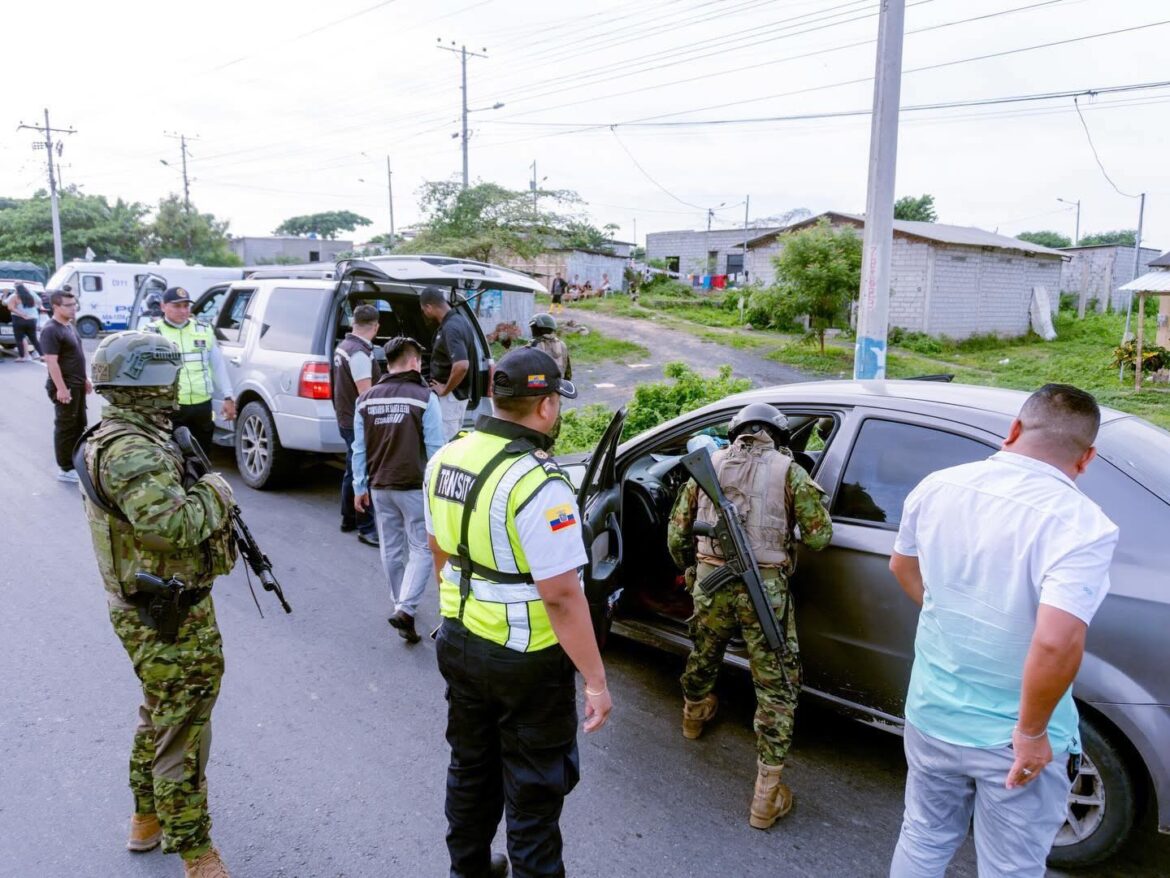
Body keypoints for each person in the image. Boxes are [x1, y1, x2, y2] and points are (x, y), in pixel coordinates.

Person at [887, 384, 1119, 878]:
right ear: (1087, 458)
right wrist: (1032, 733)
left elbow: (902, 566)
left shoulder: (938, 485)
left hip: (932, 712)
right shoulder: (1082, 525)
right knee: (1010, 867)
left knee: (924, 836)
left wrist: (948, 611)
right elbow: (1057, 640)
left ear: (1014, 430)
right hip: (1015, 741)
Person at [425, 346, 612, 878]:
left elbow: (440, 547)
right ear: (547, 406)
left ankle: (470, 869)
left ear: (493, 394)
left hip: (459, 642)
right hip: (525, 660)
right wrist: (595, 683)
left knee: (470, 767)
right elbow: (561, 595)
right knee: (533, 793)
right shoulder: (540, 483)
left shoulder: (449, 456)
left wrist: (463, 607)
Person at [76, 331, 239, 878]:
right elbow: (171, 526)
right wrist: (216, 490)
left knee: (160, 714)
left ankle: (146, 818)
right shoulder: (132, 450)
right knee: (184, 731)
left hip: (157, 606)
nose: (175, 386)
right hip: (166, 616)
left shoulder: (130, 435)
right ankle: (195, 851)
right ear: (148, 383)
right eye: (167, 377)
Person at [667, 402, 832, 829]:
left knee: (703, 650)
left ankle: (693, 714)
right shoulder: (788, 471)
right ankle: (766, 795)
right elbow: (820, 537)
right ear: (778, 436)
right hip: (765, 591)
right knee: (776, 684)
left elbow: (676, 532)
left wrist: (692, 568)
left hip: (710, 582)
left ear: (737, 431)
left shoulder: (711, 465)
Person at [352, 336, 445, 644]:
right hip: (414, 486)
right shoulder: (424, 397)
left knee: (391, 548)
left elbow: (358, 449)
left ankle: (400, 603)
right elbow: (436, 449)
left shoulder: (365, 399)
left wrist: (358, 485)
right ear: (414, 361)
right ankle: (405, 607)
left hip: (379, 486)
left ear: (387, 363)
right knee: (421, 547)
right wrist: (440, 490)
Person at [145, 287, 236, 453]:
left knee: (202, 455)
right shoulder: (151, 333)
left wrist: (228, 396)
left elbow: (217, 366)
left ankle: (200, 479)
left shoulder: (203, 329)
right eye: (177, 306)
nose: (183, 310)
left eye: (186, 306)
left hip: (202, 406)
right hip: (169, 407)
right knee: (171, 456)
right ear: (163, 306)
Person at [332, 304, 383, 545]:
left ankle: (348, 518)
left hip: (345, 416)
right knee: (363, 471)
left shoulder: (344, 347)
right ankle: (366, 526)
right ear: (375, 327)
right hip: (357, 421)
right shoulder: (360, 353)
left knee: (352, 468)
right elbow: (366, 395)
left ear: (354, 324)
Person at [40, 289, 92, 482]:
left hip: (77, 383)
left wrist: (85, 379)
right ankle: (65, 468)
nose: (73, 309)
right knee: (65, 427)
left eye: (74, 305)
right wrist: (61, 388)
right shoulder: (51, 330)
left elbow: (76, 355)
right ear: (55, 306)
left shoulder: (69, 326)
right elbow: (52, 363)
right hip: (65, 386)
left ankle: (76, 462)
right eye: (68, 305)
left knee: (79, 424)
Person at [420, 286, 477, 442]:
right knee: (450, 439)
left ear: (429, 307)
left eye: (423, 310)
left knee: (445, 443)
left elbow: (462, 365)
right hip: (454, 397)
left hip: (451, 397)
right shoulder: (459, 321)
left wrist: (445, 390)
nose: (424, 314)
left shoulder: (451, 327)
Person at [6, 283, 43, 361]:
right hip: (32, 320)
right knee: (34, 338)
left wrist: (22, 314)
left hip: (19, 319)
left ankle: (22, 356)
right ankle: (42, 355)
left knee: (19, 338)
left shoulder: (14, 296)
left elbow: (10, 307)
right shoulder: (31, 296)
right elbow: (39, 302)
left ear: (16, 290)